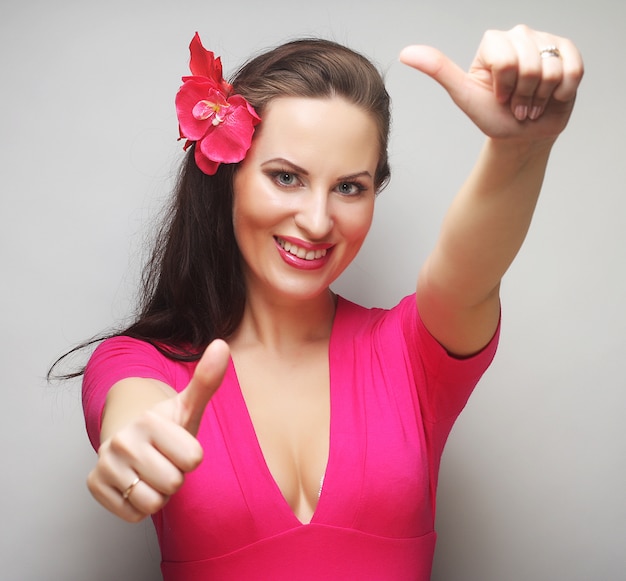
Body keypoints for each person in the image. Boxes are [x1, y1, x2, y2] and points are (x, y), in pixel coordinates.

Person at [72, 25, 582, 580]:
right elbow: (133, 409)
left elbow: (469, 271)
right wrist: (136, 441)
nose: (317, 222)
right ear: (228, 178)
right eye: (286, 177)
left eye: (349, 187)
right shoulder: (142, 363)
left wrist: (518, 151)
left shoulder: (411, 354)